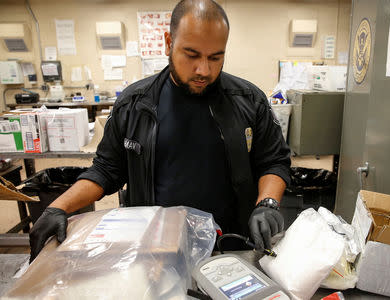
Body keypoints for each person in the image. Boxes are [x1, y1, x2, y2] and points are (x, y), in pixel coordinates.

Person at [29, 0, 291, 262]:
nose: (204, 70)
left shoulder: (248, 100)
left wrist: (267, 204)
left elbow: (273, 160)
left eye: (215, 57)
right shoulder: (135, 104)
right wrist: (57, 207)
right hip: (155, 249)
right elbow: (106, 170)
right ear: (168, 42)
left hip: (231, 246)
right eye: (191, 55)